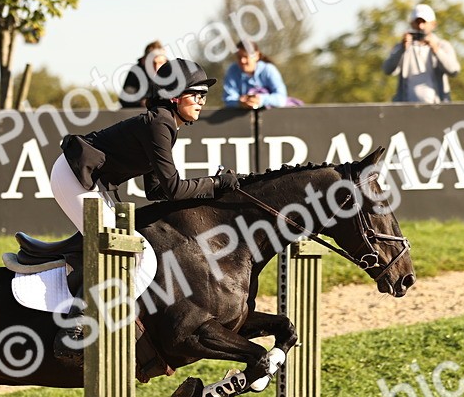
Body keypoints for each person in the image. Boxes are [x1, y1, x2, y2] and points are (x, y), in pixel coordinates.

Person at [51, 58, 238, 362]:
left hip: (93, 180)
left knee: (128, 246)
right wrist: (216, 184)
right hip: (75, 174)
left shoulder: (164, 123)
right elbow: (174, 188)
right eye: (197, 94)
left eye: (205, 95)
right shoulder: (159, 123)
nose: (203, 101)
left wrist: (212, 187)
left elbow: (155, 189)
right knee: (118, 247)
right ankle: (73, 329)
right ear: (175, 95)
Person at [381, 3, 460, 103]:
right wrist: (401, 49)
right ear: (411, 24)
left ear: (433, 24)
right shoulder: (403, 47)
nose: (420, 26)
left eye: (424, 22)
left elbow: (454, 71)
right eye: (417, 22)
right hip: (407, 110)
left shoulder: (443, 45)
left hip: (438, 109)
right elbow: (387, 70)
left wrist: (436, 50)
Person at [222, 39, 288, 109]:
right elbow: (228, 99)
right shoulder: (232, 71)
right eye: (239, 57)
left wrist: (260, 99)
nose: (242, 61)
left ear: (257, 56)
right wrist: (240, 102)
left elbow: (281, 99)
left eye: (245, 57)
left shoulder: (268, 70)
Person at [119, 40, 166, 108]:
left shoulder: (171, 71)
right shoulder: (136, 72)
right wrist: (143, 103)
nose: (156, 67)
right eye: (153, 63)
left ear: (165, 60)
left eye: (160, 63)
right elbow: (125, 99)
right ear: (144, 61)